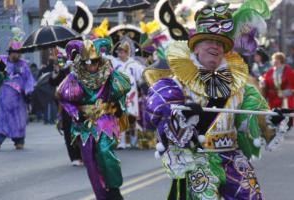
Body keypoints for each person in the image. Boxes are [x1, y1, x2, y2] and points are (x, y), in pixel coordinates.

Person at [146, 2, 288, 199]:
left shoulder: (240, 87)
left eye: (220, 43)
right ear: (195, 48)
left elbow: (252, 119)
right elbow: (160, 111)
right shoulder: (176, 84)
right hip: (198, 158)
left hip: (231, 156)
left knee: (252, 195)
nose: (215, 46)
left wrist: (273, 119)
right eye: (208, 41)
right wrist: (182, 114)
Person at [57, 39, 130, 200]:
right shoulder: (74, 77)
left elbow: (121, 91)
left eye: (95, 62)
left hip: (105, 119)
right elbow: (63, 98)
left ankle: (114, 189)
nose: (92, 66)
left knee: (104, 152)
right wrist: (76, 113)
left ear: (99, 60)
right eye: (88, 62)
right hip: (84, 124)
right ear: (82, 62)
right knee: (90, 161)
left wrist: (118, 107)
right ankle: (101, 196)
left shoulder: (109, 73)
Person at [0, 41, 35, 150]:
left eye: (18, 52)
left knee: (19, 121)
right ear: (10, 52)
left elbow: (29, 80)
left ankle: (19, 140)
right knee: (2, 120)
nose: (17, 54)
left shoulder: (23, 65)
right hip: (4, 98)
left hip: (18, 100)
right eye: (15, 52)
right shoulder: (2, 63)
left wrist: (28, 90)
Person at [108, 41, 145, 149]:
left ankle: (134, 139)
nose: (120, 54)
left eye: (123, 52)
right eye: (119, 52)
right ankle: (122, 141)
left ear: (127, 52)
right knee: (120, 116)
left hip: (131, 94)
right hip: (119, 94)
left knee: (132, 117)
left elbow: (141, 76)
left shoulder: (134, 64)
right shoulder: (115, 63)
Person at [49, 51, 82, 166]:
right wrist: (57, 70)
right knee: (68, 130)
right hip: (67, 105)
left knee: (83, 130)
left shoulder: (83, 68)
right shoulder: (64, 69)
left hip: (81, 104)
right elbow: (52, 82)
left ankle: (84, 154)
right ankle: (74, 157)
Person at [261, 52, 294, 126]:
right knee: (273, 112)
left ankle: (286, 125)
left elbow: (291, 83)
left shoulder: (287, 69)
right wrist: (263, 82)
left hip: (284, 97)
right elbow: (265, 79)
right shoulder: (271, 70)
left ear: (280, 60)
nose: (274, 61)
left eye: (276, 59)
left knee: (285, 112)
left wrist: (284, 93)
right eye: (273, 59)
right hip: (273, 97)